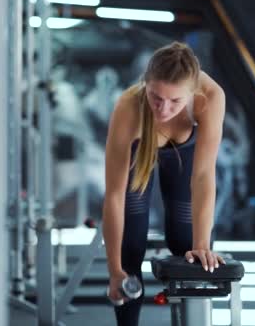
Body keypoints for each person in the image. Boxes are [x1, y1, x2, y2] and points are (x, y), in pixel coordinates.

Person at [102, 41, 227, 325]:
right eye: (156, 97)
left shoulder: (210, 97)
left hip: (184, 154)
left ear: (192, 93)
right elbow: (114, 196)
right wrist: (114, 270)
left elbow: (204, 175)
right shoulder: (129, 107)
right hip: (139, 151)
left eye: (175, 101)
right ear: (145, 84)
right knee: (130, 247)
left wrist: (202, 244)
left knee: (186, 245)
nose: (163, 108)